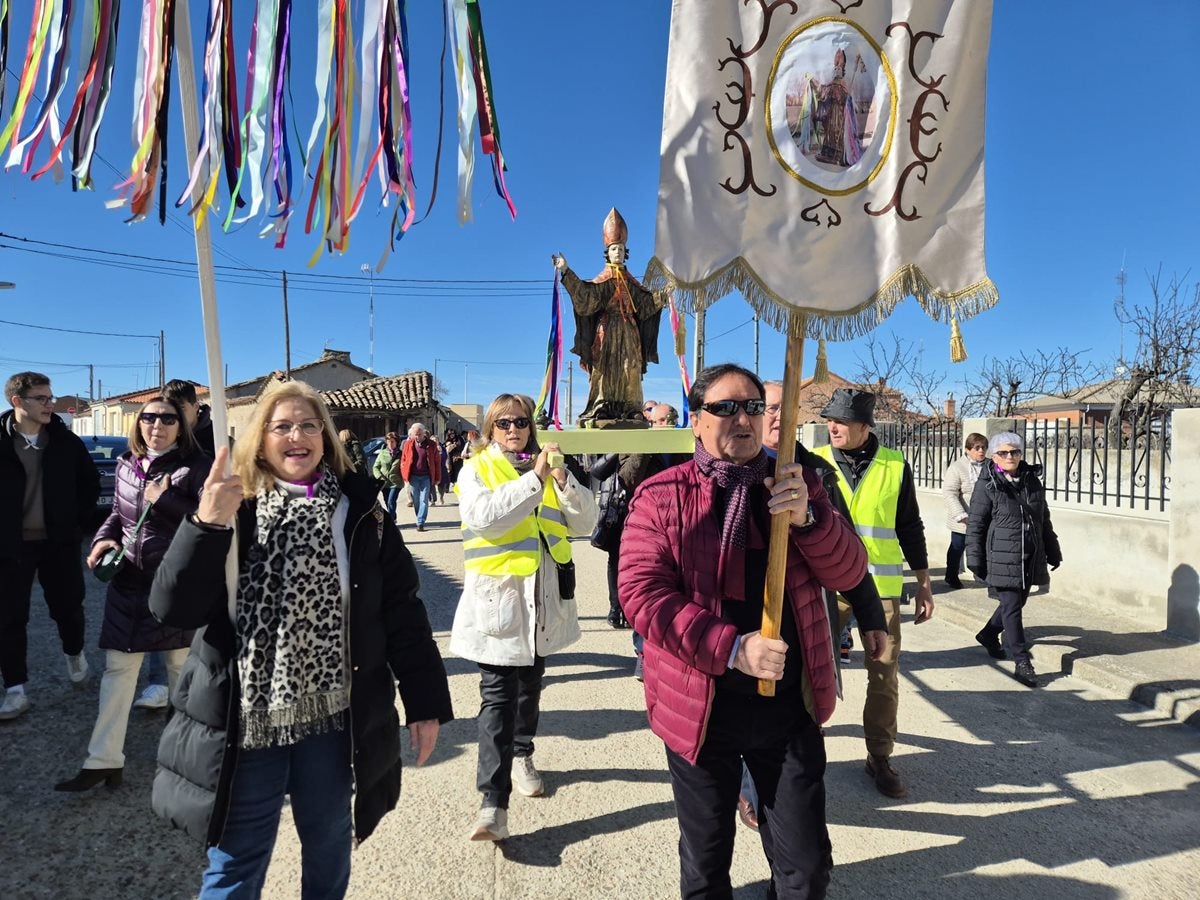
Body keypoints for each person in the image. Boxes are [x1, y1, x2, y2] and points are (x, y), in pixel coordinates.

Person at [148, 380, 452, 898]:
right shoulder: (231, 503)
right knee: (235, 860)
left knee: (330, 843)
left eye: (309, 425)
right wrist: (205, 525)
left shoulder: (362, 513)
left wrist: (425, 703)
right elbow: (171, 609)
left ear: (326, 437)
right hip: (246, 721)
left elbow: (402, 612)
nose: (297, 435)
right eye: (281, 425)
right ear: (259, 438)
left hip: (332, 722)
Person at [619, 363, 869, 899]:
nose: (744, 418)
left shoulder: (799, 484)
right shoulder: (661, 496)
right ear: (696, 420)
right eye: (726, 407)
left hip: (787, 708)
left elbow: (850, 571)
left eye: (754, 407)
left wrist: (810, 521)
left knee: (805, 866)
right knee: (707, 865)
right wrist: (731, 648)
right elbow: (642, 596)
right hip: (702, 709)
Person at [735, 380, 887, 831]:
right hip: (740, 623)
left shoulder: (817, 473)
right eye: (768, 407)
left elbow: (847, 551)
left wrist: (870, 613)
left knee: (799, 707)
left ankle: (788, 800)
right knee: (741, 710)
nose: (778, 416)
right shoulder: (722, 469)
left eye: (788, 408)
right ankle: (749, 788)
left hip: (803, 620)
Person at [449, 393, 596, 842]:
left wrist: (563, 478)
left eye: (522, 422)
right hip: (498, 604)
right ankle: (492, 803)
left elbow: (585, 520)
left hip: (542, 603)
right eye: (504, 423)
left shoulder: (550, 467)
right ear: (492, 429)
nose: (514, 430)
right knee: (497, 699)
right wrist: (534, 480)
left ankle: (523, 753)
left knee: (531, 687)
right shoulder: (476, 468)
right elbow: (484, 518)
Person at [55, 397, 211, 791]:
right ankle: (103, 760)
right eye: (149, 417)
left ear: (181, 425)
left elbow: (210, 521)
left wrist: (166, 499)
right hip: (128, 584)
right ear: (138, 423)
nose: (157, 424)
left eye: (168, 418)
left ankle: (186, 759)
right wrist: (102, 542)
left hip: (174, 585)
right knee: (118, 671)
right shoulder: (126, 463)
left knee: (181, 675)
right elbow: (118, 515)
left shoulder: (196, 467)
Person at [811, 387, 934, 799]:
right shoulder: (815, 462)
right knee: (811, 669)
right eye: (830, 418)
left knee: (883, 675)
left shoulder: (895, 466)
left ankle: (878, 756)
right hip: (826, 585)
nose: (833, 426)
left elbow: (909, 525)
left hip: (879, 589)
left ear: (865, 426)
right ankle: (802, 750)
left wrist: (923, 581)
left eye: (842, 420)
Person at [0, 372, 99, 721]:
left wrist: (76, 527)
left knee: (68, 607)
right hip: (10, 547)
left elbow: (90, 484)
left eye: (50, 398)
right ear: (17, 402)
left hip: (58, 543)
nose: (50, 405)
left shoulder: (65, 441)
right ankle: (15, 689)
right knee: (10, 617)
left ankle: (74, 654)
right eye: (41, 399)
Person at [966, 432, 1062, 688]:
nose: (1010, 457)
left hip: (1030, 555)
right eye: (1004, 453)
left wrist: (1053, 550)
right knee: (1012, 606)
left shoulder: (1032, 481)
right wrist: (973, 556)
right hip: (1001, 554)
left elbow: (1043, 519)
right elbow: (976, 523)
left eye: (1015, 452)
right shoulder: (987, 484)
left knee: (1017, 602)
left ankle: (987, 634)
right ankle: (1022, 662)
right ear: (994, 456)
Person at [553, 208, 665, 425]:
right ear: (607, 251)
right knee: (604, 367)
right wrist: (566, 271)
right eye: (614, 249)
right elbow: (585, 297)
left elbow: (645, 305)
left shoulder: (631, 281)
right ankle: (601, 406)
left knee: (630, 366)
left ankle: (631, 407)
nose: (618, 252)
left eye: (621, 249)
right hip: (606, 330)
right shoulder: (603, 279)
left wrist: (662, 296)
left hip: (629, 331)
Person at [941, 432, 989, 589]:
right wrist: (961, 515)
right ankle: (951, 575)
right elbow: (949, 493)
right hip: (964, 518)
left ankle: (983, 575)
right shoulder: (957, 467)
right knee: (957, 547)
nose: (981, 451)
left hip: (985, 517)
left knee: (984, 547)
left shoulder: (991, 465)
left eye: (983, 447)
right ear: (968, 449)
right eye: (977, 448)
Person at [400, 423, 441, 532]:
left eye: (419, 433)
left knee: (424, 499)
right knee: (416, 500)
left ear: (424, 433)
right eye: (415, 434)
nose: (417, 436)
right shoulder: (408, 444)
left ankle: (420, 522)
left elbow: (437, 462)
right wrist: (404, 473)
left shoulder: (431, 445)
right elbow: (403, 459)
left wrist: (437, 476)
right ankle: (419, 516)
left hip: (426, 476)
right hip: (413, 476)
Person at [163, 379, 215, 457]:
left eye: (181, 408)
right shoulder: (162, 438)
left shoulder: (218, 439)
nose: (175, 414)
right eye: (169, 409)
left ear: (196, 407)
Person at [372, 431, 404, 521]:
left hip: (396, 482)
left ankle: (391, 521)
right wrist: (379, 476)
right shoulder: (382, 453)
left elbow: (405, 466)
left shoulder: (401, 454)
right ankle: (393, 516)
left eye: (392, 441)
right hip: (384, 482)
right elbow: (376, 467)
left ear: (397, 442)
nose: (390, 443)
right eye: (388, 441)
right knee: (387, 501)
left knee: (391, 501)